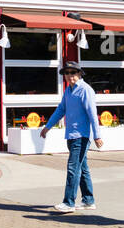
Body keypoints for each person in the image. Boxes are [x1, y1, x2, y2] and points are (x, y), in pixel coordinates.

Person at [40, 62, 104, 213]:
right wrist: (47, 126)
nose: (70, 76)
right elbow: (61, 109)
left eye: (73, 72)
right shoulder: (68, 90)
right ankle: (88, 201)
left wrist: (97, 135)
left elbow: (92, 114)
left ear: (80, 73)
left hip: (81, 136)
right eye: (67, 73)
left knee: (72, 168)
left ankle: (68, 202)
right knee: (82, 168)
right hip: (71, 135)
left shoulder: (85, 90)